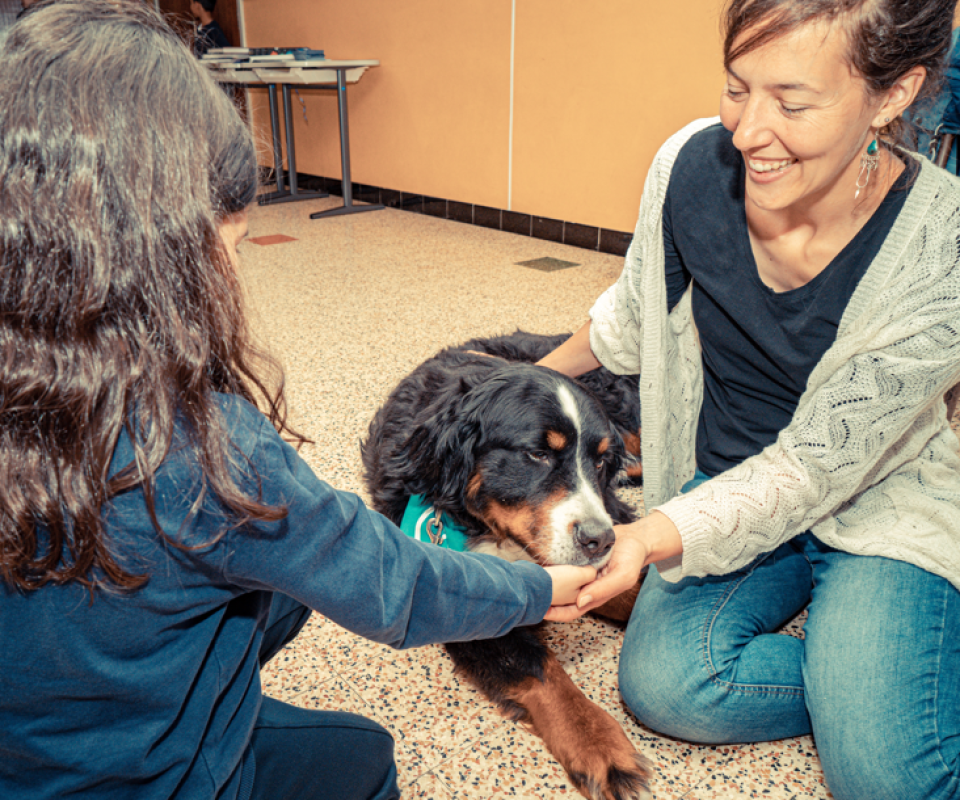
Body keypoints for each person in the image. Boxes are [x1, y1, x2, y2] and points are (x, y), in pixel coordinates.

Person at [0, 3, 597, 800]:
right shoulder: (205, 451)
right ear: (160, 256)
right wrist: (539, 590)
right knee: (365, 756)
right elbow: (392, 583)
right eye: (231, 244)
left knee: (269, 592)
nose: (236, 275)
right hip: (152, 776)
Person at [540, 1, 960, 798]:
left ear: (893, 95)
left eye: (793, 104)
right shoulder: (691, 168)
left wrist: (651, 537)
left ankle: (884, 684)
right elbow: (630, 317)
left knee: (885, 775)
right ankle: (866, 686)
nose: (746, 131)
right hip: (727, 482)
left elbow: (815, 466)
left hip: (876, 497)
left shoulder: (944, 243)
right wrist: (513, 387)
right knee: (667, 687)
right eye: (737, 88)